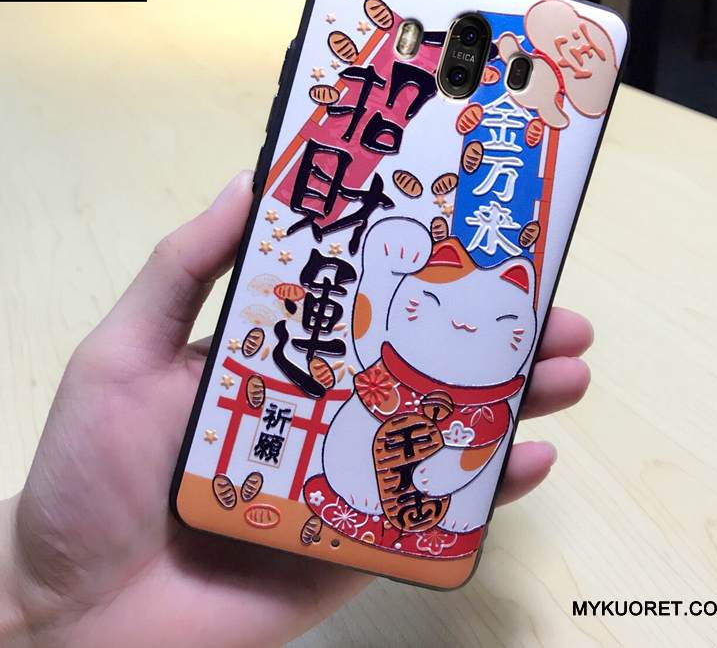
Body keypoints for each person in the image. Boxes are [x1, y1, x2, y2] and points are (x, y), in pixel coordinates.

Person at [0, 171, 593, 647]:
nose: (463, 324)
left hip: (422, 487)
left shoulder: (483, 408)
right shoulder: (384, 362)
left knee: (464, 468)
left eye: (500, 320)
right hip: (341, 479)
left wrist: (33, 600)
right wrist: (29, 590)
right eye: (433, 303)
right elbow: (367, 329)